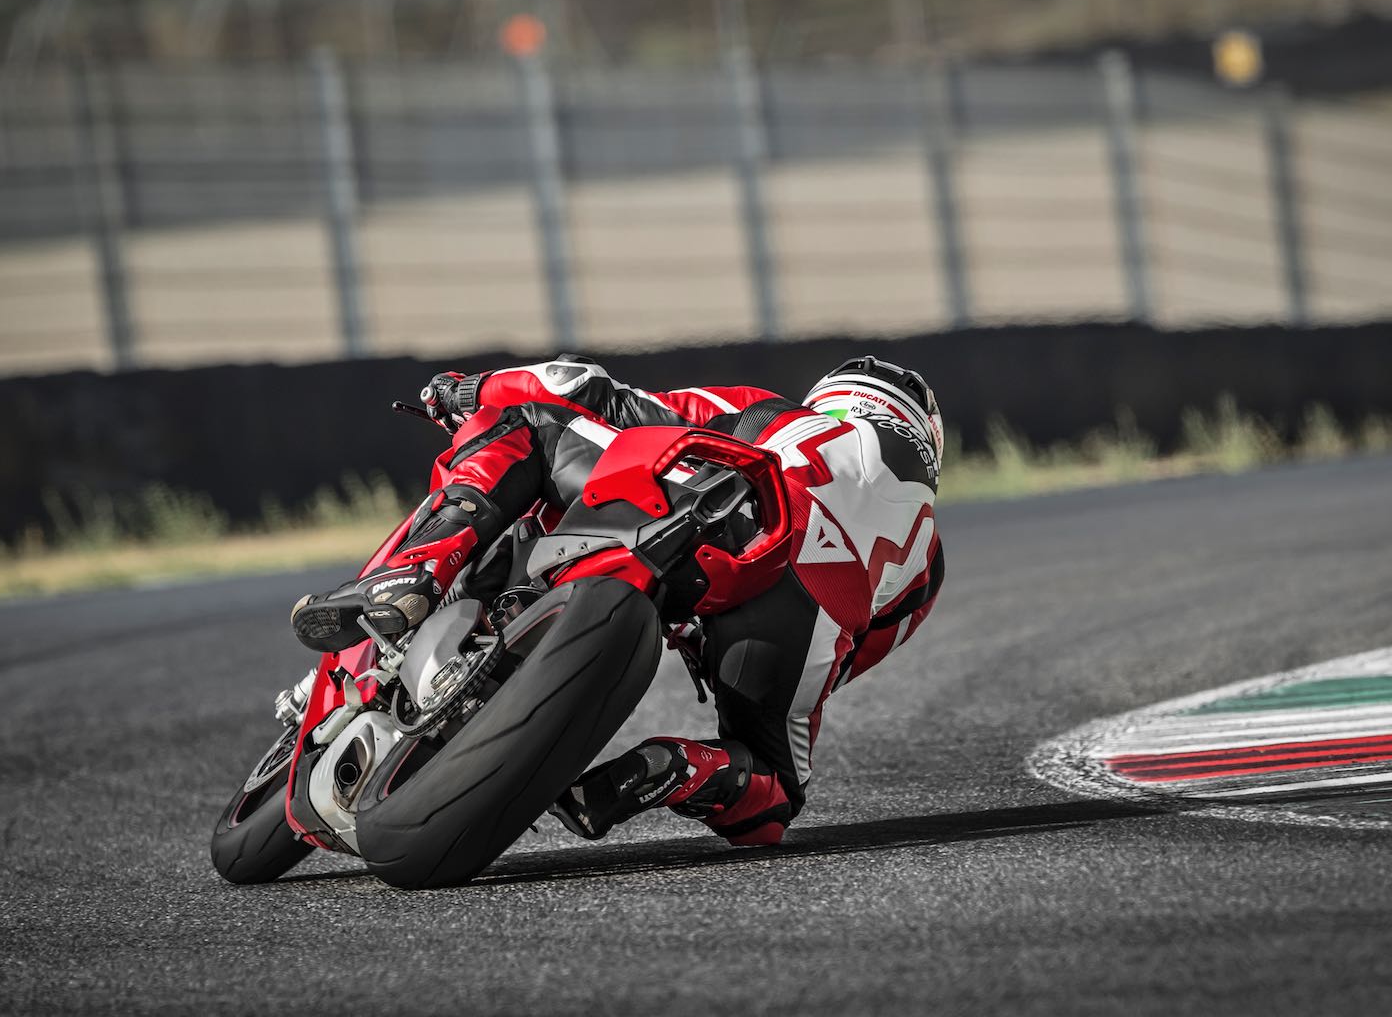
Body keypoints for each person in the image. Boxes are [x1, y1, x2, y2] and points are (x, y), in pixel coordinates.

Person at [290, 355, 944, 847]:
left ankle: (414, 572)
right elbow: (852, 656)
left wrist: (466, 392)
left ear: (834, 396)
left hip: (724, 507)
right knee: (774, 797)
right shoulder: (927, 562)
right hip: (805, 617)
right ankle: (681, 769)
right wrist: (720, 650)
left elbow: (585, 388)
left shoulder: (777, 412)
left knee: (528, 426)